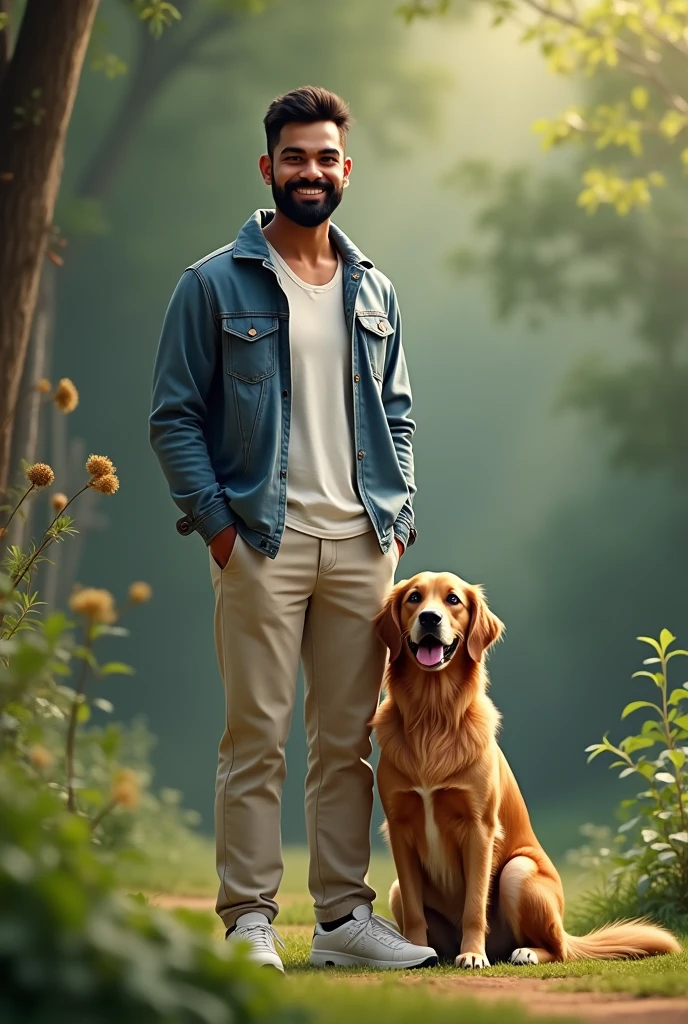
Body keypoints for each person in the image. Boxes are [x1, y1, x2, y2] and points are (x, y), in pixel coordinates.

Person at [149, 86, 435, 972]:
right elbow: (172, 418)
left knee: (349, 743)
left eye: (325, 157)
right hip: (259, 542)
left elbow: (398, 413)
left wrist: (398, 522)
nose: (310, 171)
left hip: (362, 547)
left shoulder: (373, 286)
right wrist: (219, 530)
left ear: (346, 169)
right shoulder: (211, 284)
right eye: (294, 156)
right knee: (257, 738)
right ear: (267, 167)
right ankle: (249, 923)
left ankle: (345, 921)